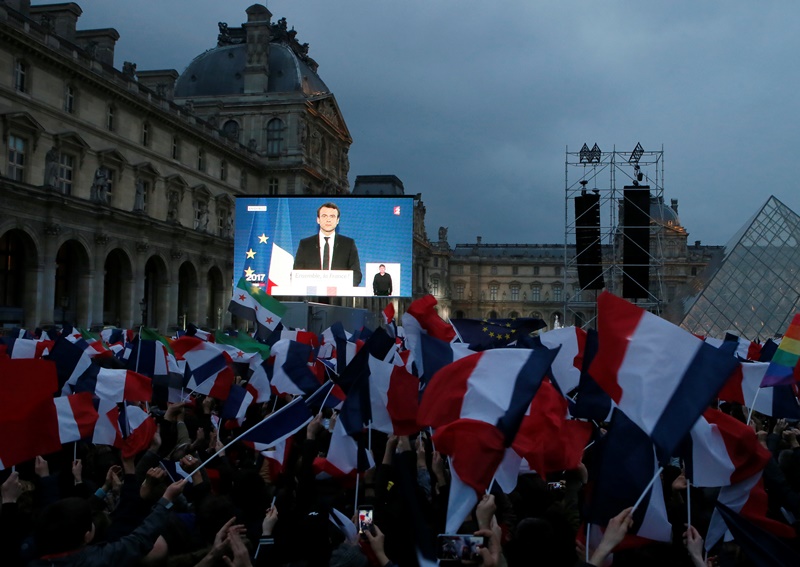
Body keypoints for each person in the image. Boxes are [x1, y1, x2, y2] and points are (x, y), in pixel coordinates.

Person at [293, 202, 362, 286]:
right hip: (312, 296)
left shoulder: (348, 244)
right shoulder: (305, 244)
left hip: (339, 296)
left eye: (332, 216)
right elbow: (297, 274)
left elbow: (356, 275)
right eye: (324, 216)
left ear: (337, 220)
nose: (328, 220)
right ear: (318, 220)